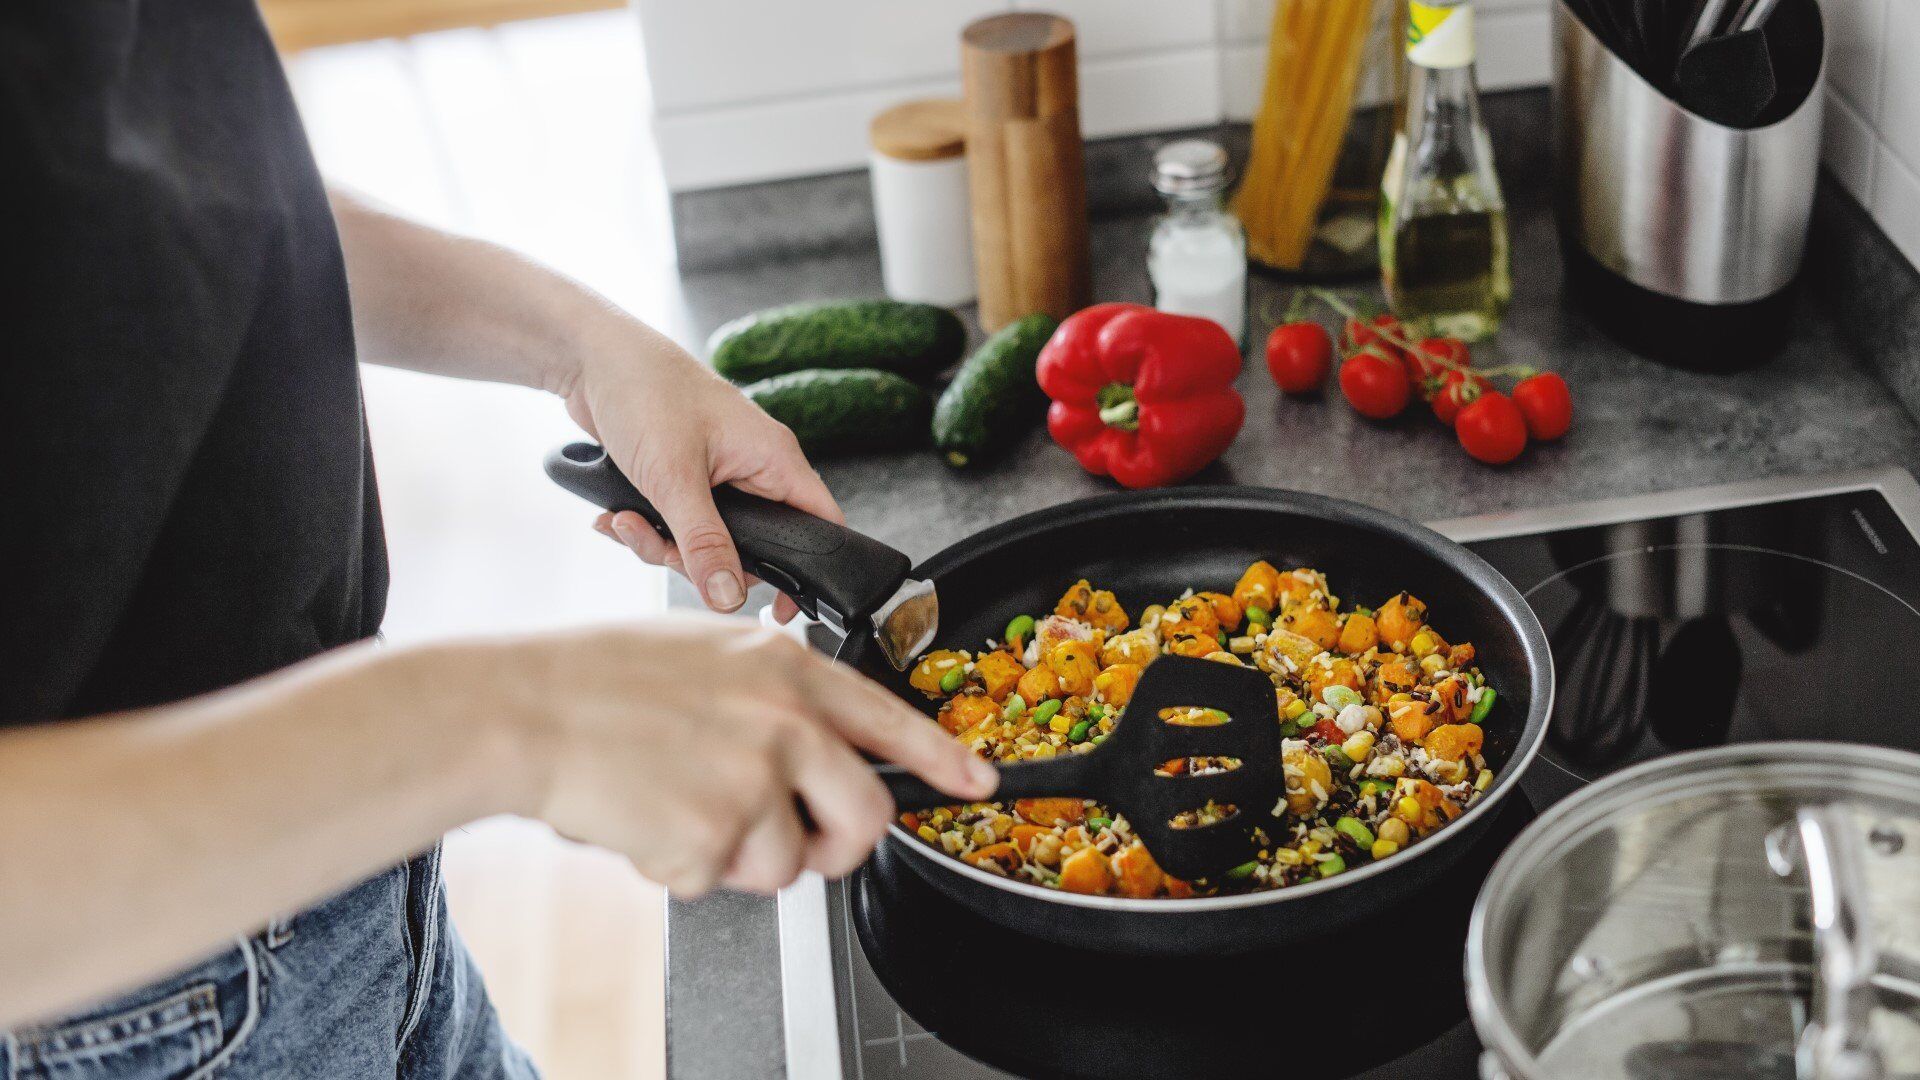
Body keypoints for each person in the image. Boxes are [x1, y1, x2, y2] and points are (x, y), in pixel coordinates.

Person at [0, 2, 996, 1076]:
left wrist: (579, 344)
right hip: (122, 993)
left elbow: (142, 199)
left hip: (350, 845)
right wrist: (514, 721)